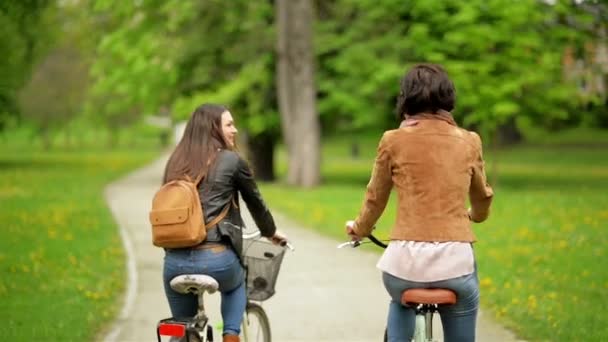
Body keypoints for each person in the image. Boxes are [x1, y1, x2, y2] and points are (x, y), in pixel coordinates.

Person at [345, 64, 494, 342]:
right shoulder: (469, 141)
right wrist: (474, 215)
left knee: (400, 297)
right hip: (455, 264)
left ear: (406, 99)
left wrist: (360, 228)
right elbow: (482, 198)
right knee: (466, 300)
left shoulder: (393, 140)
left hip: (406, 266)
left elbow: (375, 198)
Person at [162, 103, 287, 342]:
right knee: (236, 284)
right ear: (213, 128)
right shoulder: (232, 161)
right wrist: (270, 232)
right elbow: (256, 203)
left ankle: (181, 335)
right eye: (229, 124)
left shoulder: (175, 162)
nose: (235, 130)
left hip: (174, 264)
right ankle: (231, 335)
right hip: (216, 259)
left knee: (182, 327)